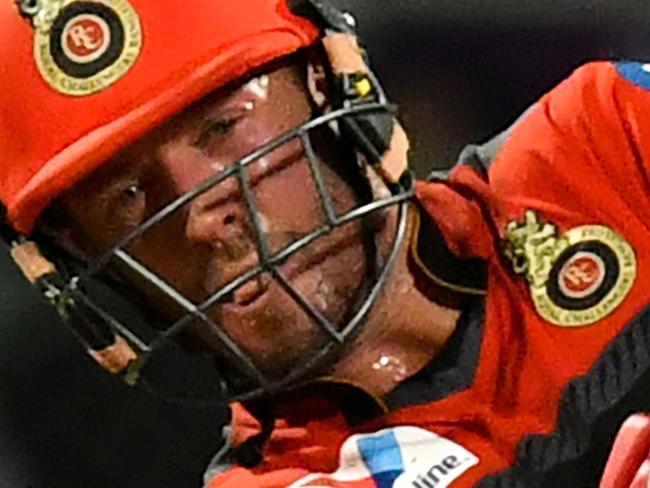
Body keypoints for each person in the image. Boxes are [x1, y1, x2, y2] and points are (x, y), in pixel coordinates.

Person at [2, 0, 650, 487]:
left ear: (327, 80)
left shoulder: (609, 141)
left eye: (224, 127)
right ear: (87, 264)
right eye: (128, 196)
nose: (200, 214)